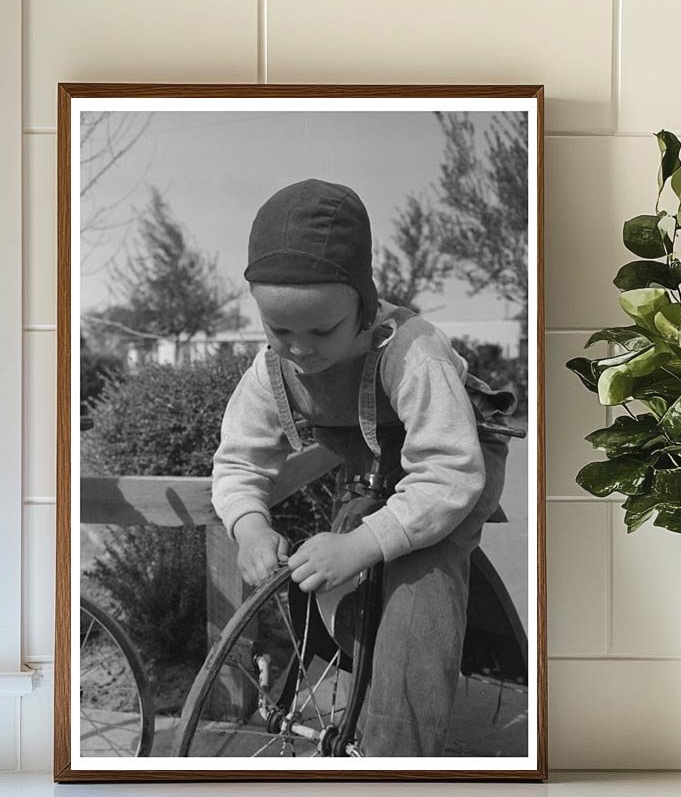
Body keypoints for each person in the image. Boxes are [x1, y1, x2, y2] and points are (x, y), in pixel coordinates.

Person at [211, 178, 516, 757]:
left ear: (365, 303)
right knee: (342, 578)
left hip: (450, 469)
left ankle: (397, 760)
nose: (300, 348)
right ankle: (361, 683)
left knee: (417, 599)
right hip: (373, 467)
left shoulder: (411, 353)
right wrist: (249, 526)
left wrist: (361, 546)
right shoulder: (269, 371)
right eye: (280, 331)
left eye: (322, 330)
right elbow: (238, 463)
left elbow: (449, 474)